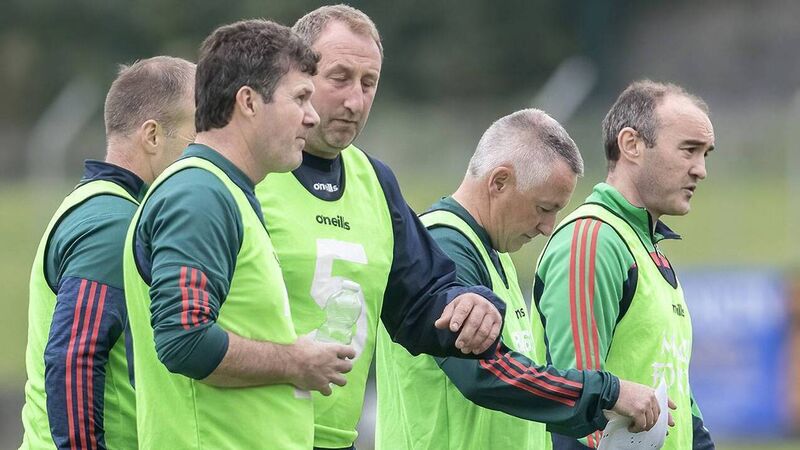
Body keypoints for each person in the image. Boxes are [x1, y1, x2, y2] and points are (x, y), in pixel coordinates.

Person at [256, 5, 505, 450]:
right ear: (295, 75)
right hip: (249, 436)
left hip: (336, 439)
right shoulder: (249, 170)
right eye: (340, 78)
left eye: (368, 83)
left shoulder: (375, 180)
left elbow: (421, 301)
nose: (355, 101)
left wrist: (470, 307)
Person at [376, 109, 669, 450]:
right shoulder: (445, 245)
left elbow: (518, 386)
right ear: (499, 182)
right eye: (544, 208)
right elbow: (484, 373)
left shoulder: (494, 251)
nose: (548, 228)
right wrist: (606, 392)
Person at [122, 20, 351, 450]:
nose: (313, 116)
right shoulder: (199, 194)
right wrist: (295, 362)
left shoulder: (224, 190)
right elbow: (184, 341)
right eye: (300, 97)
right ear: (248, 101)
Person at [19, 56, 196, 450]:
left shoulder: (111, 207)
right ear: (152, 136)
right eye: (197, 134)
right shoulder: (113, 224)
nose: (205, 150)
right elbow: (74, 361)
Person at [534, 80, 716, 449]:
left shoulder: (647, 246)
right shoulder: (593, 239)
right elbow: (576, 401)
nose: (701, 170)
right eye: (688, 150)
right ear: (631, 144)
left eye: (705, 154)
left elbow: (681, 399)